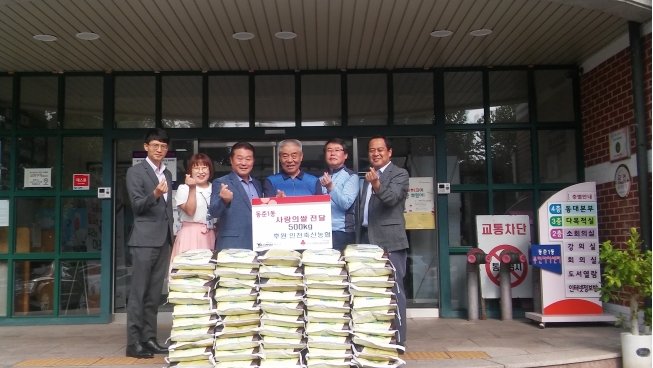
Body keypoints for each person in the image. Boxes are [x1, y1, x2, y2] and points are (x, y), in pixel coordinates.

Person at [125, 128, 173, 358]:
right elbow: (136, 206)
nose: (159, 149)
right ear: (146, 147)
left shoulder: (168, 174)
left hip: (163, 239)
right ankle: (133, 343)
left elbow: (167, 210)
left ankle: (149, 338)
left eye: (163, 146)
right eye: (155, 145)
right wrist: (154, 193)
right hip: (144, 240)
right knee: (138, 293)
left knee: (154, 294)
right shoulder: (135, 172)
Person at [359, 135, 409, 351]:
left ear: (389, 152)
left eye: (380, 150)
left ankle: (398, 338)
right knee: (370, 291)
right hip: (366, 241)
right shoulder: (367, 177)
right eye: (372, 150)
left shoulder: (400, 174)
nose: (375, 153)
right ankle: (375, 335)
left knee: (394, 290)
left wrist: (377, 184)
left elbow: (391, 199)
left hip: (390, 241)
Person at [209, 142, 263, 251]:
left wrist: (277, 202)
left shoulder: (257, 184)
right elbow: (213, 212)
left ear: (253, 161)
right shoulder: (221, 182)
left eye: (248, 159)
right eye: (239, 158)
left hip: (257, 244)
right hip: (232, 245)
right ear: (231, 160)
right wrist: (224, 201)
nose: (244, 163)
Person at [169, 153, 216, 275]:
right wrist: (192, 188)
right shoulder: (183, 188)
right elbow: (190, 211)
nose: (201, 171)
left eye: (204, 167)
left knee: (208, 274)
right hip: (190, 234)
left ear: (210, 170)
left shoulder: (215, 188)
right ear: (190, 171)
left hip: (211, 233)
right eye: (196, 168)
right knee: (187, 273)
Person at [318, 138, 359, 251]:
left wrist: (331, 187)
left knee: (341, 267)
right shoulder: (319, 179)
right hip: (320, 232)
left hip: (342, 232)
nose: (332, 153)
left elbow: (346, 203)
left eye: (337, 150)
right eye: (329, 150)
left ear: (345, 155)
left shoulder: (351, 177)